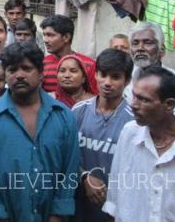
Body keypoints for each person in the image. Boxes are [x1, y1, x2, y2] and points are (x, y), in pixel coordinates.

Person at [103, 66, 175, 221]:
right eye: (134, 96)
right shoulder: (129, 134)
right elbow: (114, 200)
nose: (133, 105)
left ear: (169, 105)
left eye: (144, 99)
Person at [0, 41, 79, 221]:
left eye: (26, 68)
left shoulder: (64, 116)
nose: (20, 75)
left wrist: (58, 214)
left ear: (41, 74)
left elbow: (70, 170)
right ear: (6, 75)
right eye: (12, 70)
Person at [71, 48, 134, 222]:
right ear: (95, 74)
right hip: (77, 205)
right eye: (103, 74)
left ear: (127, 80)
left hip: (115, 210)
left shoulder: (134, 121)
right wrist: (84, 177)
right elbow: (66, 155)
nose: (107, 82)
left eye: (115, 77)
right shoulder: (78, 111)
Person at [124, 22, 175, 134]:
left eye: (148, 42)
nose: (140, 48)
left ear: (161, 50)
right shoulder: (125, 83)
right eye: (135, 43)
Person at [41, 14, 98, 94]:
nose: (45, 40)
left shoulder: (89, 65)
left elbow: (95, 98)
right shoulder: (42, 64)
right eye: (44, 35)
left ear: (66, 37)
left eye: (50, 35)